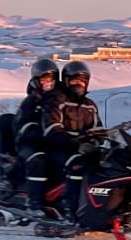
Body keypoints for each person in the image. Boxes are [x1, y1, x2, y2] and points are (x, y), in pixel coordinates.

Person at [41, 60, 102, 222]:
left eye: (82, 80)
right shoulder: (58, 101)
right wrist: (75, 142)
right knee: (78, 165)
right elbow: (52, 128)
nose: (79, 84)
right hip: (59, 147)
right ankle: (69, 206)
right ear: (66, 81)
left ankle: (104, 206)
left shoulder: (90, 105)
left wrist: (100, 139)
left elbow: (97, 128)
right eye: (74, 80)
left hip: (84, 148)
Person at [13, 58, 61, 217]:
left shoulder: (58, 100)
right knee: (38, 159)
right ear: (37, 80)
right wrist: (40, 134)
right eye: (45, 79)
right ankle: (34, 204)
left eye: (52, 79)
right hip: (29, 144)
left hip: (52, 142)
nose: (49, 83)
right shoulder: (31, 101)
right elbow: (22, 125)